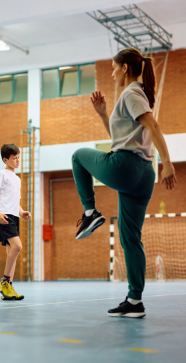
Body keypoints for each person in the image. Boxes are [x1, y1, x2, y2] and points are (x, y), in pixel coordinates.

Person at [72, 47, 177, 318]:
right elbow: (120, 139)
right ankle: (134, 301)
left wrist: (168, 162)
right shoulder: (134, 95)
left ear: (126, 68)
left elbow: (153, 125)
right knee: (131, 238)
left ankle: (90, 212)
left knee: (78, 156)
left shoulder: (131, 92)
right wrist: (102, 113)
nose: (112, 72)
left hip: (127, 167)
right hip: (143, 176)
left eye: (114, 67)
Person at [0, 144, 31, 301]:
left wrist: (21, 211)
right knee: (18, 246)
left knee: (11, 252)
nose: (18, 160)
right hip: (3, 215)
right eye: (14, 158)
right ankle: (4, 282)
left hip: (14, 216)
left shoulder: (17, 179)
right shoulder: (1, 174)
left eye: (19, 157)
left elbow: (13, 200)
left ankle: (8, 290)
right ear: (6, 160)